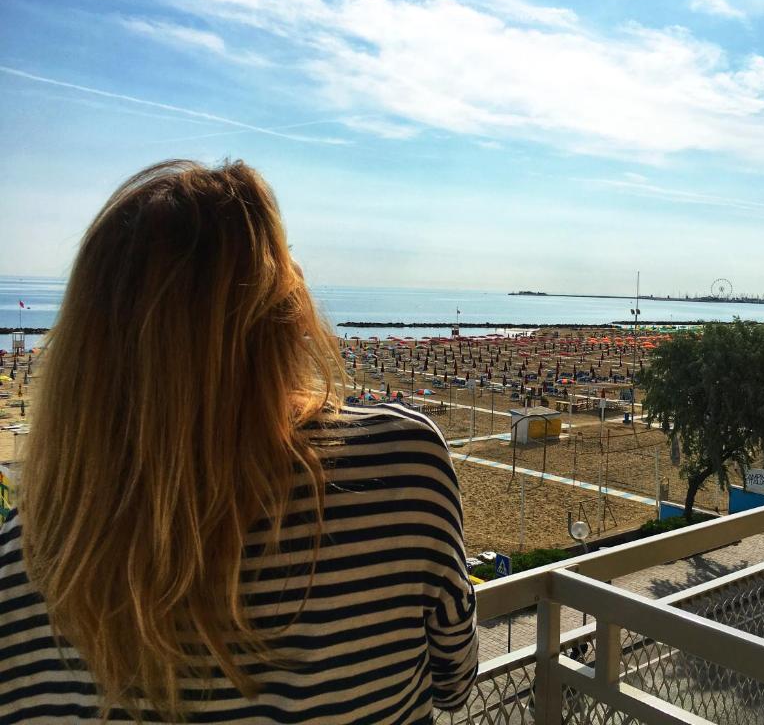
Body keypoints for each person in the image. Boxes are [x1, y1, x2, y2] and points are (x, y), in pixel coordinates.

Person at [0, 160, 477, 724]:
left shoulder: (29, 560)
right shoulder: (401, 466)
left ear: (86, 345)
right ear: (280, 311)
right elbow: (454, 679)